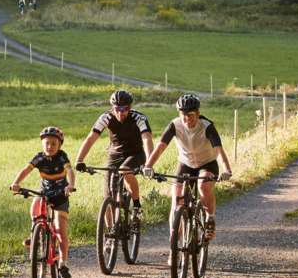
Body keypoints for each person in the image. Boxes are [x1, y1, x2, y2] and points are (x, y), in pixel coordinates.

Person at [148, 93, 234, 240]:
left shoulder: (207, 127)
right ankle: (174, 243)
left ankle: (210, 219)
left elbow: (218, 150)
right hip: (185, 163)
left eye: (191, 114)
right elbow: (160, 147)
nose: (187, 118)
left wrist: (227, 170)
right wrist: (148, 166)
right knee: (176, 200)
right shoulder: (175, 125)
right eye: (184, 114)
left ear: (198, 114)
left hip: (207, 164)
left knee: (203, 187)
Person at [75, 89, 155, 225]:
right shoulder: (106, 117)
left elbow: (147, 139)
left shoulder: (139, 118)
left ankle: (136, 206)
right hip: (114, 154)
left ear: (130, 107)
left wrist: (150, 164)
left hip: (135, 154)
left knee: (125, 170)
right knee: (106, 199)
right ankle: (110, 235)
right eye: (116, 109)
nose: (119, 113)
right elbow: (91, 138)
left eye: (123, 109)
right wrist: (79, 160)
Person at [10, 125, 76, 278]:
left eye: (54, 144)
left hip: (60, 195)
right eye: (47, 143)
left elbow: (70, 171)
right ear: (42, 144)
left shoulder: (62, 157)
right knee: (35, 204)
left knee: (60, 230)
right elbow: (26, 169)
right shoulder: (39, 157)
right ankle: (35, 234)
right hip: (44, 193)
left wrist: (70, 185)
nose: (50, 147)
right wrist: (16, 183)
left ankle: (63, 264)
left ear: (60, 145)